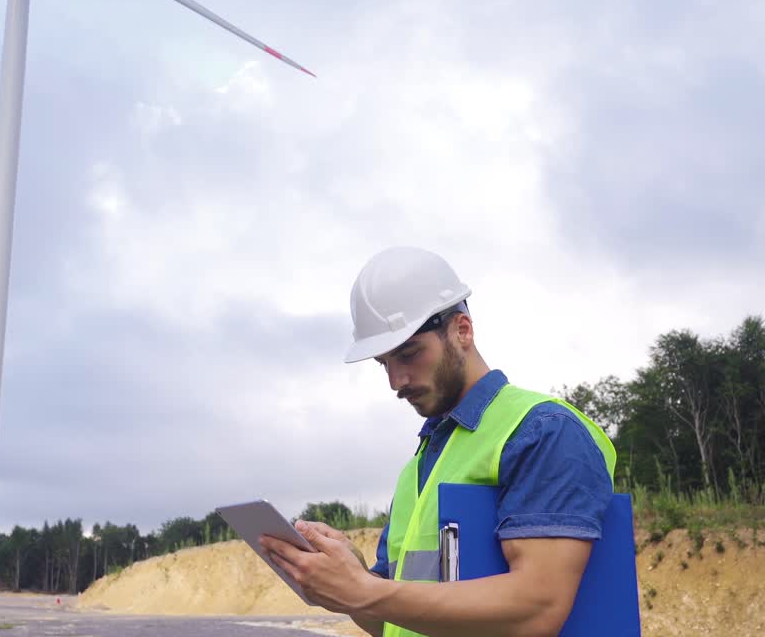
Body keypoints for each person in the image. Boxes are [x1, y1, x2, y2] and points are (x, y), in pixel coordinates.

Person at [260, 246, 616, 637]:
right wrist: (349, 579)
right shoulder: (417, 469)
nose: (396, 381)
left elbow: (538, 607)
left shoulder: (541, 430)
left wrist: (362, 589)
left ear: (462, 329)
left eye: (409, 354)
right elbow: (390, 620)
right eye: (384, 364)